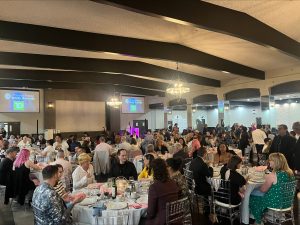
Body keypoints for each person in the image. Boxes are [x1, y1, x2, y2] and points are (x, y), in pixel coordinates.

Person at [249, 153, 295, 224]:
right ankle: (273, 216)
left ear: (275, 162)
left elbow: (263, 190)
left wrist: (263, 180)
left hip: (275, 203)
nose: (268, 161)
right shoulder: (290, 172)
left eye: (270, 160)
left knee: (252, 195)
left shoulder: (273, 175)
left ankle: (258, 220)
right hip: (287, 202)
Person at [146, 158, 179, 225]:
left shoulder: (154, 187)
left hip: (162, 221)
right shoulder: (173, 182)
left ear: (154, 171)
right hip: (176, 218)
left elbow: (150, 214)